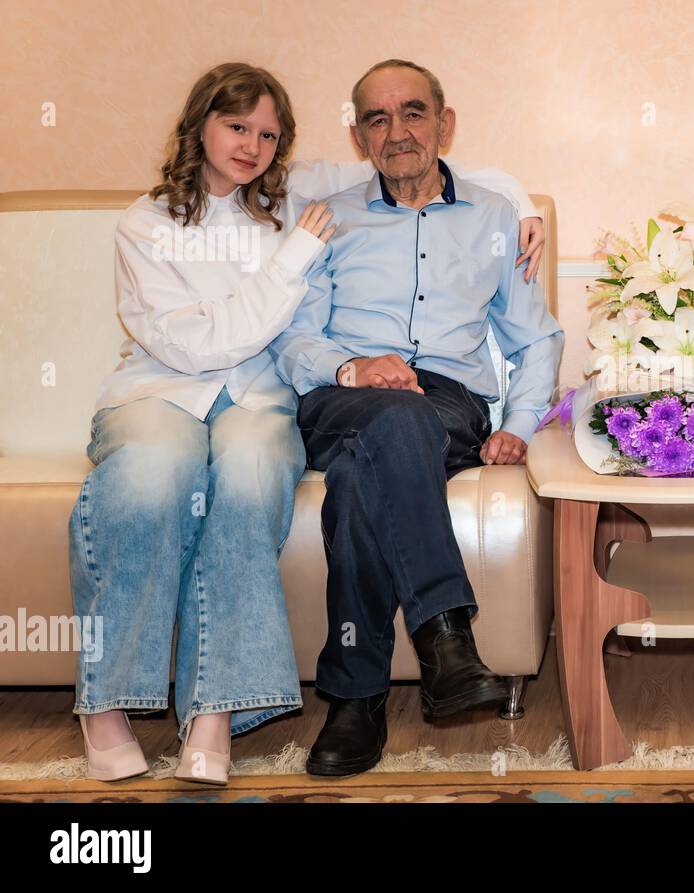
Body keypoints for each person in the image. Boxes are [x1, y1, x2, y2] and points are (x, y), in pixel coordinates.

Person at [71, 61, 544, 784]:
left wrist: (518, 203)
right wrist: (349, 361)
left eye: (268, 133)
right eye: (237, 127)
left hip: (358, 401)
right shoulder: (291, 217)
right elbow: (253, 340)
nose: (252, 146)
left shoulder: (302, 198)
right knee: (160, 475)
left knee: (339, 469)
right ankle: (443, 638)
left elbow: (525, 320)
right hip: (255, 390)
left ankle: (334, 699)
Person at [269, 59, 565, 777]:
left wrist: (520, 423)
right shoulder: (327, 217)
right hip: (342, 395)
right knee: (385, 423)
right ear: (358, 133)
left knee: (362, 478)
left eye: (412, 112)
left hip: (447, 403)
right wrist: (353, 367)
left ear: (444, 122)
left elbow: (539, 338)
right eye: (376, 117)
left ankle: (355, 697)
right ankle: (446, 640)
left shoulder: (495, 217)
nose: (396, 131)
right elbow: (292, 336)